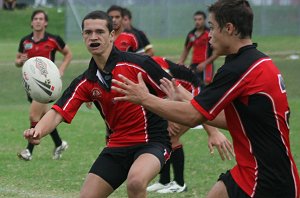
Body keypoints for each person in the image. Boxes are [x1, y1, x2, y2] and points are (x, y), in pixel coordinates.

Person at [23, 10, 232, 198]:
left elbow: (179, 92)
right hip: (116, 145)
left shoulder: (138, 64)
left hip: (152, 142)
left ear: (112, 35)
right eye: (88, 32)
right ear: (83, 37)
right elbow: (58, 112)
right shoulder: (86, 81)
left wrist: (212, 130)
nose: (93, 37)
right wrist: (38, 131)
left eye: (99, 32)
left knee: (135, 182)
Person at [111, 0, 300, 197]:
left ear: (229, 28)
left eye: (212, 28)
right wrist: (183, 95)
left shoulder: (239, 69)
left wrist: (144, 98)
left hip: (267, 179)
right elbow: (235, 120)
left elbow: (194, 117)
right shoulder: (258, 60)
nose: (210, 35)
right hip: (251, 171)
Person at [146, 56, 232, 193]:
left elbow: (171, 88)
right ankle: (164, 181)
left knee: (171, 137)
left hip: (192, 91)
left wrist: (212, 132)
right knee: (164, 137)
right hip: (176, 93)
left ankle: (180, 184)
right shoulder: (140, 64)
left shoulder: (150, 66)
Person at [15, 10, 72, 161]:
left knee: (33, 115)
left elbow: (68, 54)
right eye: (35, 19)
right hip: (31, 85)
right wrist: (20, 61)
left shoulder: (54, 39)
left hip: (45, 86)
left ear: (46, 22)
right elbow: (17, 61)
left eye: (41, 19)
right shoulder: (25, 41)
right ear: (31, 22)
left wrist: (61, 70)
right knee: (45, 117)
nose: (38, 21)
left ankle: (29, 151)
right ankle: (59, 143)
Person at [178, 10, 216, 85]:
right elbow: (186, 49)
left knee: (206, 86)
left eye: (199, 19)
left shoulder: (209, 33)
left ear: (204, 20)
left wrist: (205, 63)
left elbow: (216, 52)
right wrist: (180, 62)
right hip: (194, 65)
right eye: (195, 19)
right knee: (193, 85)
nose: (197, 22)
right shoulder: (191, 34)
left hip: (207, 65)